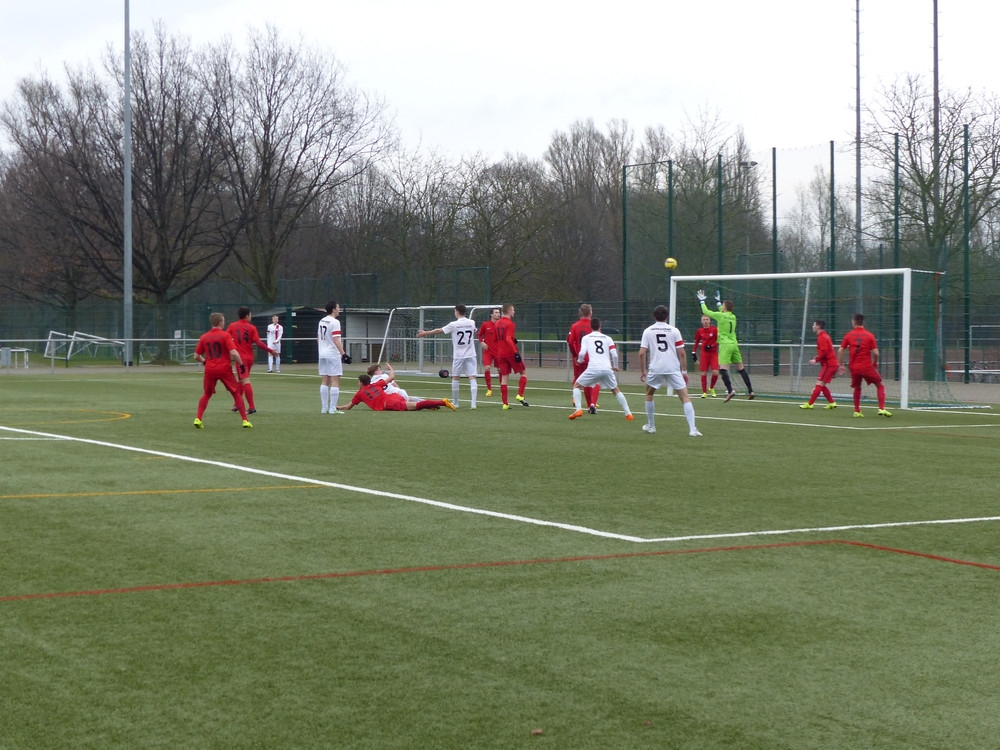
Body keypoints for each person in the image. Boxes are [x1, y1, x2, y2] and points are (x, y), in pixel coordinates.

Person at [638, 305, 701, 436]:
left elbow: (642, 353)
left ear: (654, 317)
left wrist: (643, 371)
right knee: (684, 397)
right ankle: (692, 429)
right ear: (667, 316)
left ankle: (651, 426)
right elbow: (682, 353)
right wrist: (684, 372)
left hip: (656, 368)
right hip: (673, 368)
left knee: (649, 394)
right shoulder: (674, 331)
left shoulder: (648, 331)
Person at [193, 312, 252, 429]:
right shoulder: (225, 336)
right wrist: (241, 364)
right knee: (235, 393)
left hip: (210, 369)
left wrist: (205, 362)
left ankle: (198, 418)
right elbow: (234, 353)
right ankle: (245, 420)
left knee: (207, 394)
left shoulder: (204, 337)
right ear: (220, 322)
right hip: (224, 369)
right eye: (223, 321)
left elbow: (196, 356)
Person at [568, 317, 633, 421]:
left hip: (593, 368)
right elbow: (614, 354)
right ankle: (628, 413)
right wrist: (616, 366)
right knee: (615, 390)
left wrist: (579, 360)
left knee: (576, 386)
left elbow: (582, 352)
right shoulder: (608, 338)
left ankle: (578, 409)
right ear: (600, 326)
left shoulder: (586, 338)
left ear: (591, 327)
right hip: (606, 368)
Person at [698, 289, 755, 402]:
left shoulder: (720, 316)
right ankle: (751, 391)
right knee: (741, 368)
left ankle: (730, 391)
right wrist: (718, 302)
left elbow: (706, 311)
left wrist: (702, 301)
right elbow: (723, 312)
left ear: (724, 308)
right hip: (734, 344)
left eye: (722, 305)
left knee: (723, 369)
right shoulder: (733, 316)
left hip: (725, 344)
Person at [417, 304, 479, 409]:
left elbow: (439, 330)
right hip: (471, 354)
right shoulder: (471, 322)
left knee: (456, 377)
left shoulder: (453, 324)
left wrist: (426, 333)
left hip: (459, 355)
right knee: (472, 377)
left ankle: (456, 402)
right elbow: (474, 330)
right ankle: (473, 404)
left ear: (457, 312)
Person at [837, 313, 891, 417]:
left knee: (857, 387)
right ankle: (881, 409)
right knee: (880, 385)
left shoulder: (849, 335)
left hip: (854, 367)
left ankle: (857, 411)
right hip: (866, 366)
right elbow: (876, 353)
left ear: (854, 322)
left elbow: (840, 350)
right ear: (863, 322)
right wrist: (875, 362)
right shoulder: (869, 335)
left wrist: (841, 365)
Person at [227, 306, 278, 415]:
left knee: (245, 381)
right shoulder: (252, 328)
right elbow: (258, 342)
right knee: (241, 380)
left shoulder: (232, 326)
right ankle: (237, 404)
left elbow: (225, 338)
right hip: (249, 358)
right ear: (247, 316)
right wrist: (270, 350)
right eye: (250, 314)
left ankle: (251, 407)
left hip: (240, 359)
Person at [339, 374, 456, 412]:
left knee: (416, 406)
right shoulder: (375, 384)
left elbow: (348, 407)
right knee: (415, 404)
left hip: (390, 403)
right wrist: (390, 369)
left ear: (360, 382)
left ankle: (443, 402)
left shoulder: (359, 394)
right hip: (395, 396)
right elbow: (391, 378)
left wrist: (337, 407)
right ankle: (431, 405)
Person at [566, 303, 601, 412]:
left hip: (579, 357)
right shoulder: (594, 326)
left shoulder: (575, 326)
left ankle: (576, 398)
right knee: (595, 381)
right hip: (592, 357)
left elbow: (570, 342)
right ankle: (592, 404)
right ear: (590, 312)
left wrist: (575, 355)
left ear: (580, 313)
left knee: (578, 378)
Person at [494, 303, 529, 409]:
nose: (514, 312)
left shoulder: (497, 323)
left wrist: (512, 340)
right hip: (510, 353)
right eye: (513, 310)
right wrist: (515, 352)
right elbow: (508, 339)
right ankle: (520, 395)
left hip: (501, 354)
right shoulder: (510, 323)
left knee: (504, 378)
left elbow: (497, 338)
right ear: (509, 311)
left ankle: (505, 404)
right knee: (523, 373)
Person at [800, 319, 838, 410]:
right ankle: (832, 403)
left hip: (829, 364)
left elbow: (825, 352)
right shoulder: (824, 336)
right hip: (830, 363)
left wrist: (816, 360)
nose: (813, 327)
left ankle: (810, 404)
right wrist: (818, 357)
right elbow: (826, 351)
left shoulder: (822, 337)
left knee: (819, 384)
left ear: (818, 327)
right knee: (822, 385)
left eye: (814, 325)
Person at [318, 300, 347, 414]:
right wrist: (343, 354)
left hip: (322, 354)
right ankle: (332, 408)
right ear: (334, 309)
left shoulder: (322, 321)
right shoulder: (335, 322)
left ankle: (324, 408)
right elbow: (336, 339)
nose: (339, 309)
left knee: (325, 380)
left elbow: (318, 337)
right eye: (338, 307)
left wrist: (322, 348)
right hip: (332, 354)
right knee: (335, 380)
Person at [691, 314, 720, 398]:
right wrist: (693, 352)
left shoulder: (714, 329)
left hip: (713, 354)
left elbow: (719, 340)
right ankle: (704, 392)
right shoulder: (700, 331)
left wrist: (712, 346)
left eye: (707, 319)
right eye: (704, 320)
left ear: (710, 321)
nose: (705, 321)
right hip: (704, 354)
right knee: (703, 372)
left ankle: (711, 387)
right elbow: (697, 342)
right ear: (701, 321)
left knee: (715, 372)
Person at [477, 307, 501, 396]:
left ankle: (502, 389)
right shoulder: (485, 324)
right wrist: (482, 342)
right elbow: (479, 335)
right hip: (488, 351)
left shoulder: (501, 325)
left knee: (500, 370)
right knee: (487, 368)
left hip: (499, 351)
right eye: (496, 312)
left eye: (499, 312)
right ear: (491, 314)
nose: (498, 314)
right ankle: (489, 389)